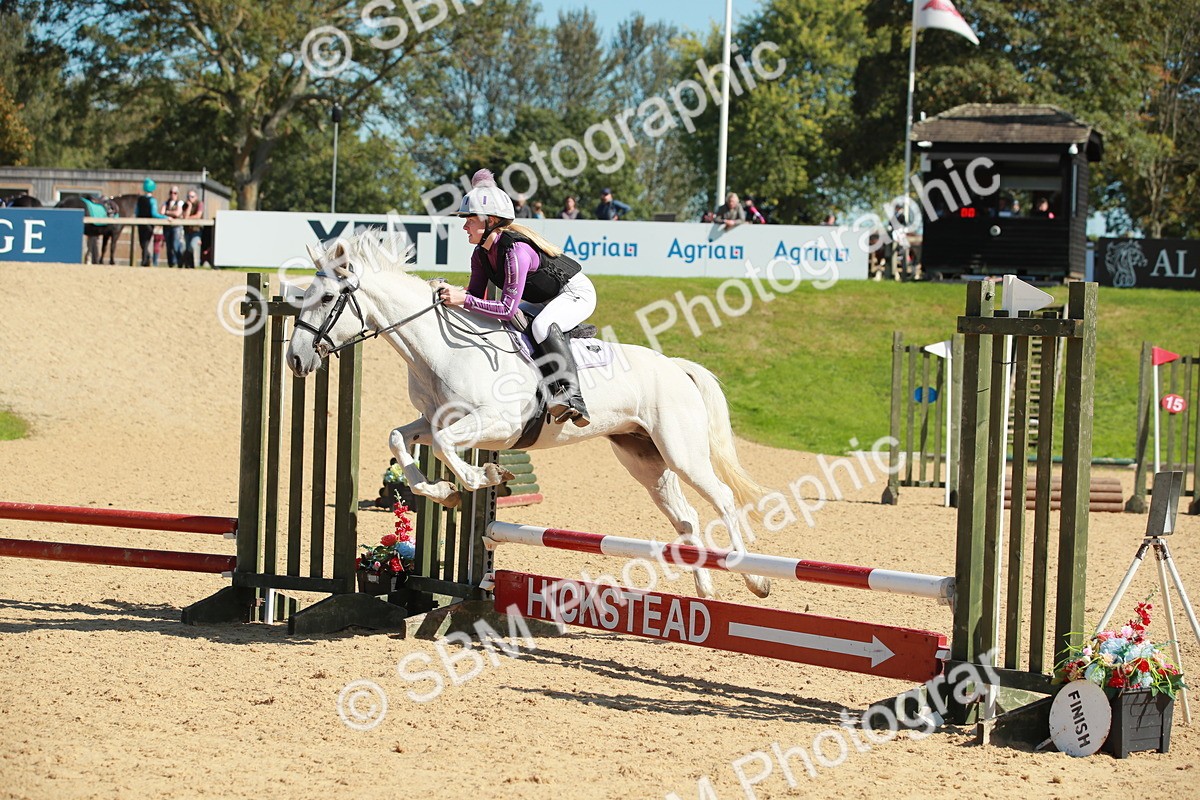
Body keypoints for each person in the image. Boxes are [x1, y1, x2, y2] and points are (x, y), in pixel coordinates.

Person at [441, 168, 596, 426]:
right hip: (542, 299)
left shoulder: (516, 250)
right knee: (512, 328)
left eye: (470, 220)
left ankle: (573, 397)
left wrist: (462, 299)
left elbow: (506, 309)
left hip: (575, 293)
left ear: (490, 220)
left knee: (541, 326)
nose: (464, 226)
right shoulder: (480, 254)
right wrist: (449, 294)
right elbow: (475, 295)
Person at [134, 178, 168, 267]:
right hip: (149, 224)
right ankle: (145, 260)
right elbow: (154, 214)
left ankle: (145, 260)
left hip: (140, 224)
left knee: (142, 243)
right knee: (146, 243)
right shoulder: (152, 200)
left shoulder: (139, 199)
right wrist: (165, 217)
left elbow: (136, 212)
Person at [161, 186, 185, 267]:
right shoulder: (166, 203)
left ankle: (179, 263)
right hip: (167, 227)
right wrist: (170, 213)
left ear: (177, 194)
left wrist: (167, 212)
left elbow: (177, 213)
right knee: (169, 246)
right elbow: (161, 212)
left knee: (175, 245)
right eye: (171, 192)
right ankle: (171, 264)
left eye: (175, 193)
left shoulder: (180, 202)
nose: (172, 194)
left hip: (177, 227)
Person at [182, 189, 205, 267]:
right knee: (187, 248)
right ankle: (189, 266)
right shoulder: (185, 205)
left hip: (196, 230)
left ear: (196, 197)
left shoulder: (200, 204)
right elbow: (184, 216)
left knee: (191, 246)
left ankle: (190, 265)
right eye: (188, 196)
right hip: (187, 230)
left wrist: (188, 218)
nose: (190, 198)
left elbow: (198, 216)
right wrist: (189, 207)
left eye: (192, 196)